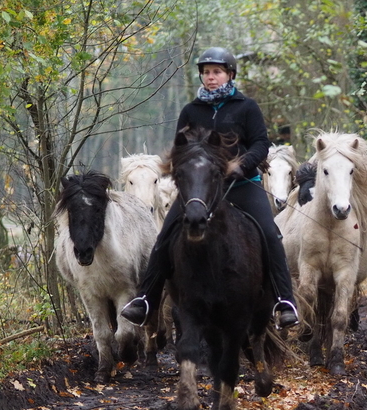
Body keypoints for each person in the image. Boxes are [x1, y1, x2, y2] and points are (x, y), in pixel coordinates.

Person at [121, 47, 298, 330]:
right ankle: (145, 299)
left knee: (270, 233)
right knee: (166, 234)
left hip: (241, 184)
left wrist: (242, 164)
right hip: (199, 190)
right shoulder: (191, 110)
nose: (210, 77)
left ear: (229, 74)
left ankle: (284, 302)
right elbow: (180, 149)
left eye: (216, 72)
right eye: (206, 73)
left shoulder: (246, 107)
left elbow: (260, 143)